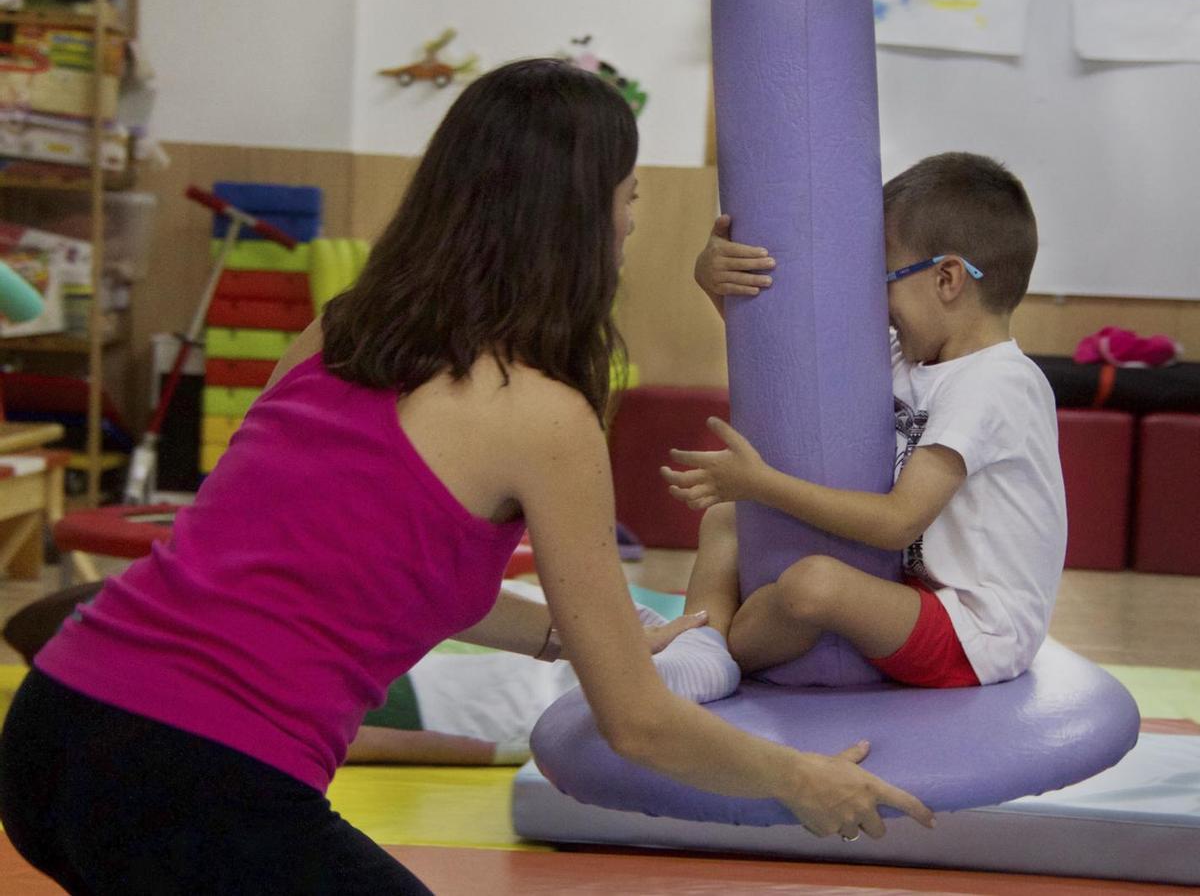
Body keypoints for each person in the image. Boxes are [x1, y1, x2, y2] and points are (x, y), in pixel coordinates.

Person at [0, 59, 933, 895]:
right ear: (579, 218)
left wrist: (582, 640)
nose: (630, 227)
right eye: (629, 200)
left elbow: (380, 567)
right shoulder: (542, 412)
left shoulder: (343, 329)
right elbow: (640, 727)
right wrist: (800, 780)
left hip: (55, 727)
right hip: (196, 773)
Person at [664, 152, 1067, 692]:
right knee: (728, 518)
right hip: (910, 590)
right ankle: (700, 643)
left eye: (885, 278)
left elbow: (899, 521)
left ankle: (721, 650)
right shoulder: (913, 358)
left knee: (815, 584)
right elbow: (792, 379)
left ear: (947, 278)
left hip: (975, 631)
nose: (873, 300)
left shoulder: (997, 384)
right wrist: (714, 284)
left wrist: (762, 482)